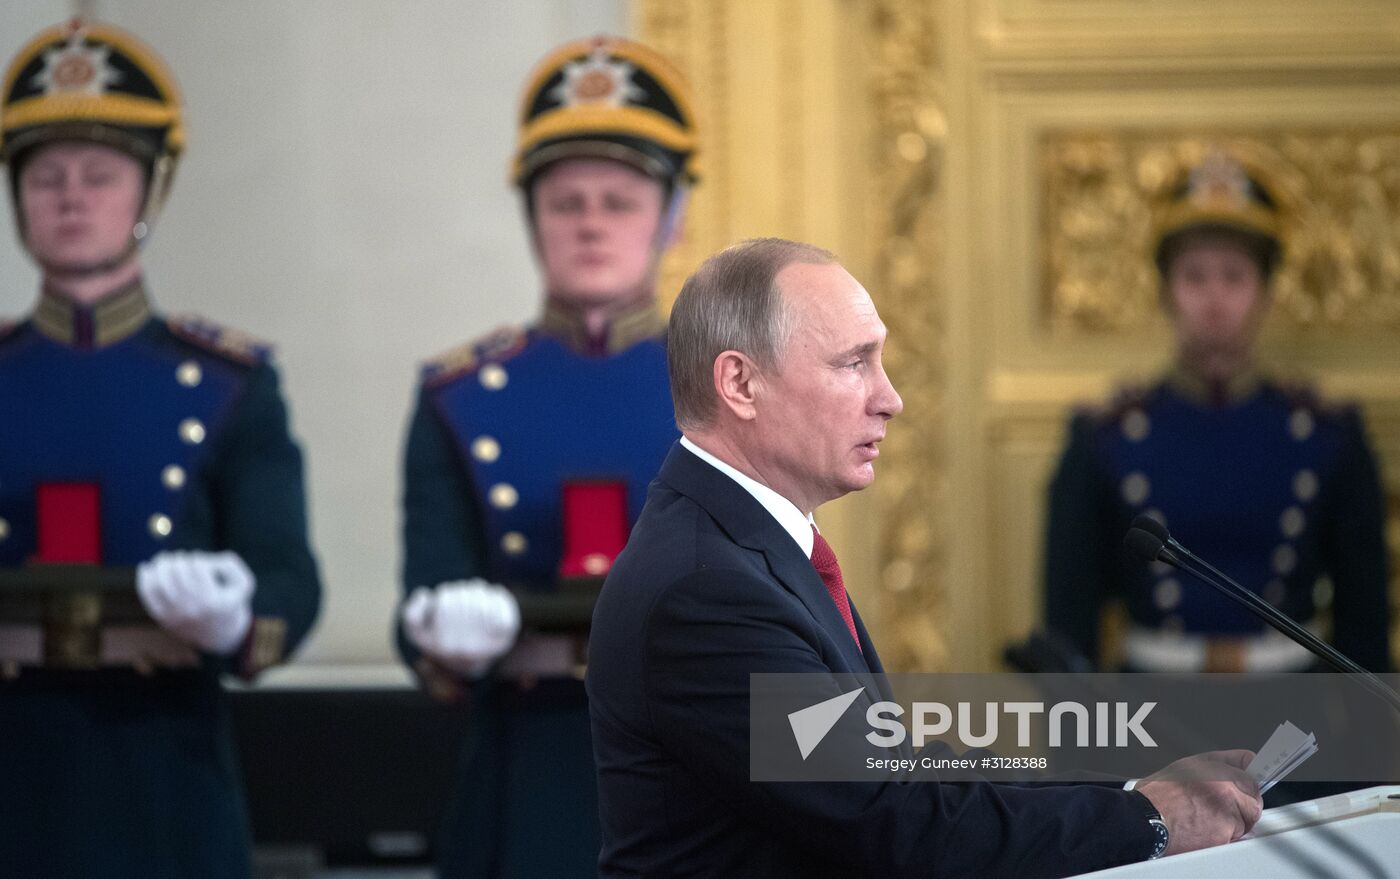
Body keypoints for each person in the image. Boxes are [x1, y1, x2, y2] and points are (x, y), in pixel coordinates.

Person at [588, 237, 1263, 877]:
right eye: (854, 363)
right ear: (739, 383)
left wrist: (1128, 791)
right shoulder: (705, 588)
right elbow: (893, 817)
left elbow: (897, 769)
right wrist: (1147, 818)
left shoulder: (743, 548)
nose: (891, 398)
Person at [0, 18, 321, 878]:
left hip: (163, 768)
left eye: (100, 175)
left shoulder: (227, 381)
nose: (71, 196)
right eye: (45, 175)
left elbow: (290, 576)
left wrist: (237, 614)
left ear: (149, 194)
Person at [396, 35, 698, 877]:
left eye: (620, 199)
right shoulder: (460, 394)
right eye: (565, 201)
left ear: (672, 216)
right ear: (532, 218)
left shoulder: (733, 387)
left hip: (697, 764)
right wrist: (441, 634)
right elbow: (421, 594)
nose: (592, 221)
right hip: (526, 759)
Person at [1043, 150, 1391, 674]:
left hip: (1295, 712)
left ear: (1267, 292)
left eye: (1234, 277)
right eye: (1194, 277)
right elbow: (1069, 627)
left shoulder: (1327, 437)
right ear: (1165, 291)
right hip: (1151, 718)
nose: (1214, 299)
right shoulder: (1105, 438)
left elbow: (1366, 629)